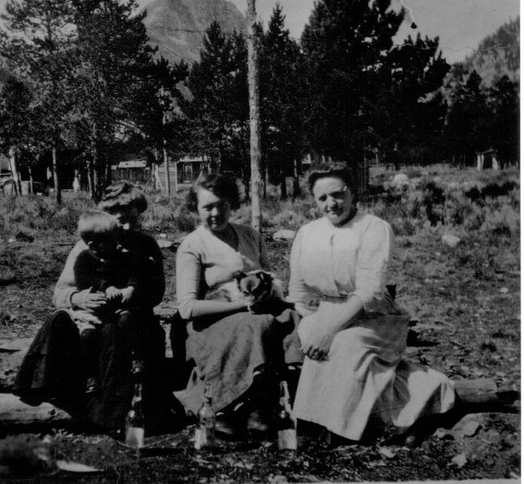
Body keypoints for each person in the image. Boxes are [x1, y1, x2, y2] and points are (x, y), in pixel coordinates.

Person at [288, 163, 456, 444]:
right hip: (324, 310)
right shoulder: (307, 233)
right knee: (308, 338)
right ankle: (313, 423)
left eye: (338, 194)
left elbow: (369, 292)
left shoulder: (374, 228)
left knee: (344, 344)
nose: (332, 204)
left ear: (353, 192)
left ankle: (335, 430)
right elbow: (297, 291)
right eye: (322, 198)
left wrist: (329, 330)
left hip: (374, 316)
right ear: (314, 201)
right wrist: (310, 320)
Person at [14, 182, 170, 433]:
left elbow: (156, 292)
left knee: (115, 333)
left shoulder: (145, 246)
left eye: (133, 220)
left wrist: (130, 295)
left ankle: (110, 414)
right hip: (91, 318)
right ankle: (37, 388)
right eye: (121, 221)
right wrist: (78, 298)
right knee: (58, 321)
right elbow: (60, 292)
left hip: (128, 319)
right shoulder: (87, 246)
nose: (127, 227)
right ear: (108, 218)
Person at [174, 173, 297, 438]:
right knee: (254, 323)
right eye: (208, 207)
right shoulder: (192, 246)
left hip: (254, 310)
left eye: (223, 205)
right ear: (196, 207)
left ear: (232, 204)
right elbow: (187, 308)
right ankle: (229, 406)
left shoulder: (250, 235)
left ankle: (291, 402)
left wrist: (268, 296)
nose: (216, 212)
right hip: (210, 322)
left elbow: (267, 277)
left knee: (295, 319)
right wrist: (241, 306)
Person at [72, 210, 152, 394]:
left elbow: (135, 273)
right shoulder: (83, 259)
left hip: (116, 308)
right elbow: (83, 281)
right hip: (94, 310)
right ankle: (90, 375)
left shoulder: (119, 257)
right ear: (94, 245)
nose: (116, 244)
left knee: (129, 320)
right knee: (87, 337)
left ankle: (135, 357)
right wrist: (105, 286)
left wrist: (130, 288)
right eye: (111, 241)